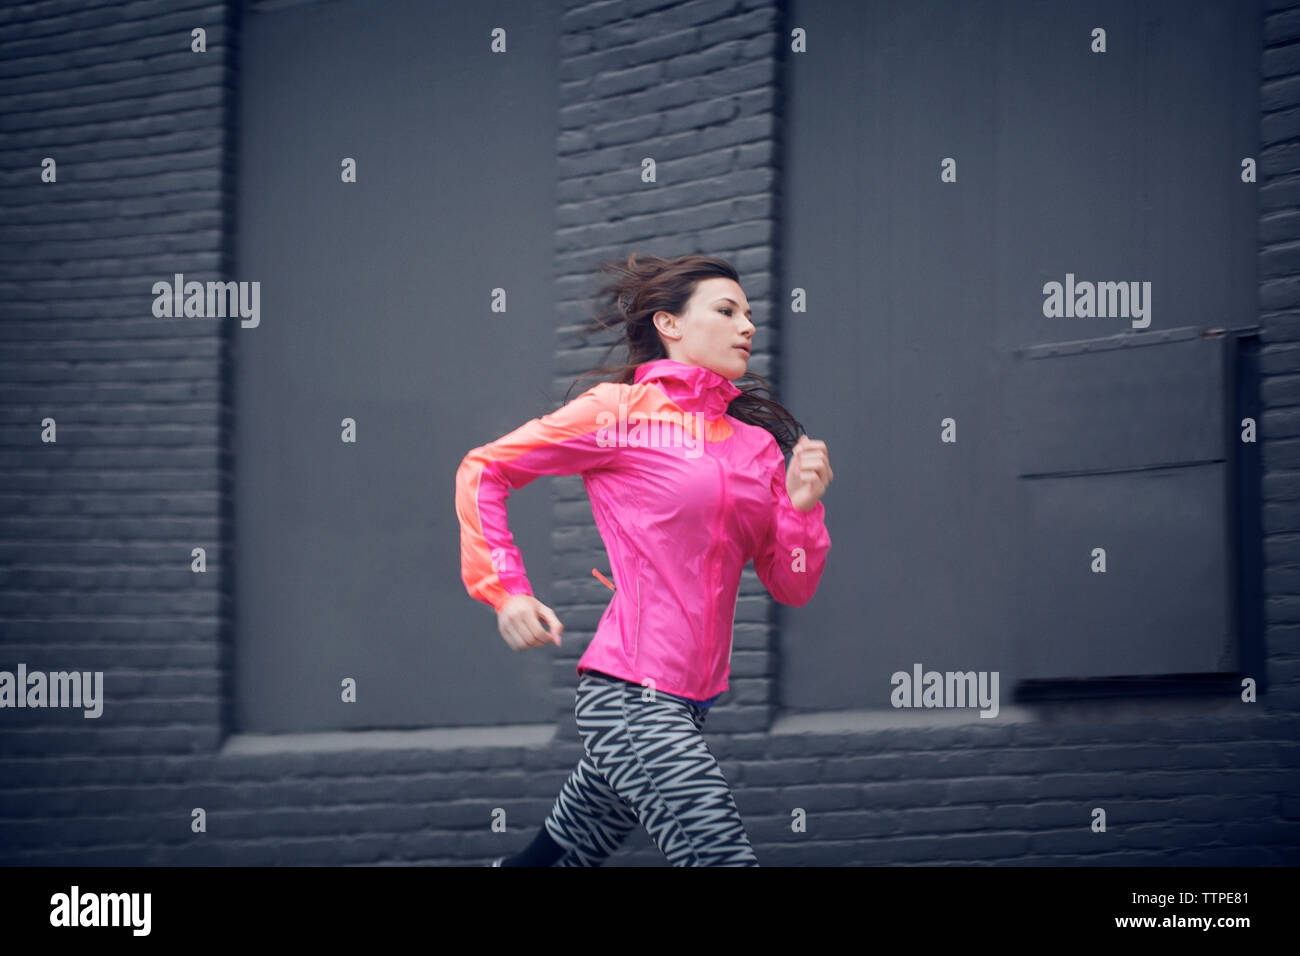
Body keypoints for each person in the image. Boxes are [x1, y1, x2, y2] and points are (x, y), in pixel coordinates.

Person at [454, 252, 833, 866]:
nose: (748, 327)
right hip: (632, 696)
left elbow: (792, 586)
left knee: (559, 857)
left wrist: (802, 509)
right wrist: (507, 589)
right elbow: (484, 468)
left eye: (751, 315)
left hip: (690, 704)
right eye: (727, 310)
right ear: (670, 325)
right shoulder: (618, 413)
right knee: (720, 854)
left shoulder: (757, 447)